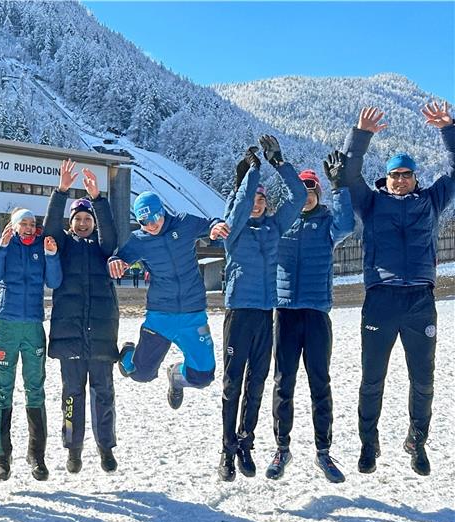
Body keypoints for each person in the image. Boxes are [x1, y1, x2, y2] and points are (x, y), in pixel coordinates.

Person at [342, 102, 454, 476]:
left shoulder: (431, 201)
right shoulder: (371, 204)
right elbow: (349, 173)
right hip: (381, 300)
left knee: (423, 379)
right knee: (373, 378)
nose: (401, 179)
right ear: (386, 177)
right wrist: (361, 136)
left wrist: (448, 129)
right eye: (395, 174)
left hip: (420, 300)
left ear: (415, 177)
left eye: (407, 173)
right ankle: (368, 444)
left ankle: (417, 441)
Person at [213, 136, 305, 482]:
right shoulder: (232, 231)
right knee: (232, 384)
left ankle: (245, 443)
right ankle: (226, 449)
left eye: (261, 198)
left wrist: (278, 162)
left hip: (265, 314)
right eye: (252, 198)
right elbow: (236, 209)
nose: (256, 203)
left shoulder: (274, 227)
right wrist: (251, 173)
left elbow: (298, 197)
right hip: (238, 312)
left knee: (257, 383)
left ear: (267, 204)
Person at [266, 152, 355, 483]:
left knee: (320, 383)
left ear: (318, 192)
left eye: (311, 190)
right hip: (286, 313)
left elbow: (348, 223)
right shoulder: (282, 224)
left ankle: (323, 451)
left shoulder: (328, 224)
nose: (306, 195)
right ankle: (281, 448)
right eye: (301, 190)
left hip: (316, 314)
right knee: (283, 382)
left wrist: (338, 186)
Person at [110, 191, 222, 408]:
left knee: (203, 376)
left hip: (193, 313)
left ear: (162, 211)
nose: (151, 225)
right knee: (140, 374)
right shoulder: (139, 240)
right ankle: (128, 354)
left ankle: (175, 376)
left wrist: (216, 226)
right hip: (160, 315)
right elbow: (119, 257)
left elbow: (211, 223)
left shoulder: (184, 223)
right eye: (144, 222)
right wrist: (115, 262)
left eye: (154, 218)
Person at [42, 160, 119, 474]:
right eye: (79, 219)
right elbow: (48, 229)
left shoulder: (104, 249)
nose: (84, 223)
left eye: (88, 218)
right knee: (72, 396)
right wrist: (61, 191)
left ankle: (105, 448)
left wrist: (98, 198)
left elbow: (112, 237)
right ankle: (73, 450)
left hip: (101, 333)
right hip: (69, 333)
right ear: (71, 222)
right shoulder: (62, 245)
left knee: (104, 394)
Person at [0, 208, 62, 481]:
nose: (29, 228)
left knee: (35, 389)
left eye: (33, 223)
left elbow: (54, 281)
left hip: (33, 327)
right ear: (14, 227)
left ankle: (36, 454)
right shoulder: (7, 246)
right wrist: (2, 247)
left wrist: (52, 256)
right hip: (7, 325)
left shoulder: (42, 247)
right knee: (1, 391)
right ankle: (2, 456)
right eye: (24, 224)